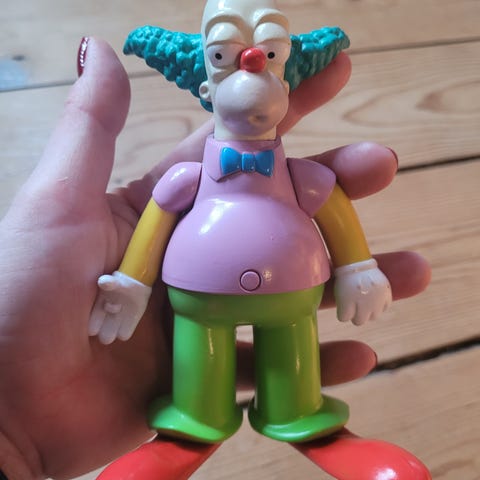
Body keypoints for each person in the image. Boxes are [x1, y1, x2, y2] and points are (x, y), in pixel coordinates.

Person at [0, 38, 430, 480]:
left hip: (293, 293)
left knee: (295, 369)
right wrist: (131, 284)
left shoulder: (301, 178)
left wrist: (357, 268)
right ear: (206, 88)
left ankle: (305, 420)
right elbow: (155, 222)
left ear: (286, 84)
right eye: (223, 56)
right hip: (198, 300)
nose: (252, 61)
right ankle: (191, 430)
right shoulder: (187, 179)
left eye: (271, 55)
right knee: (198, 384)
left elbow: (334, 207)